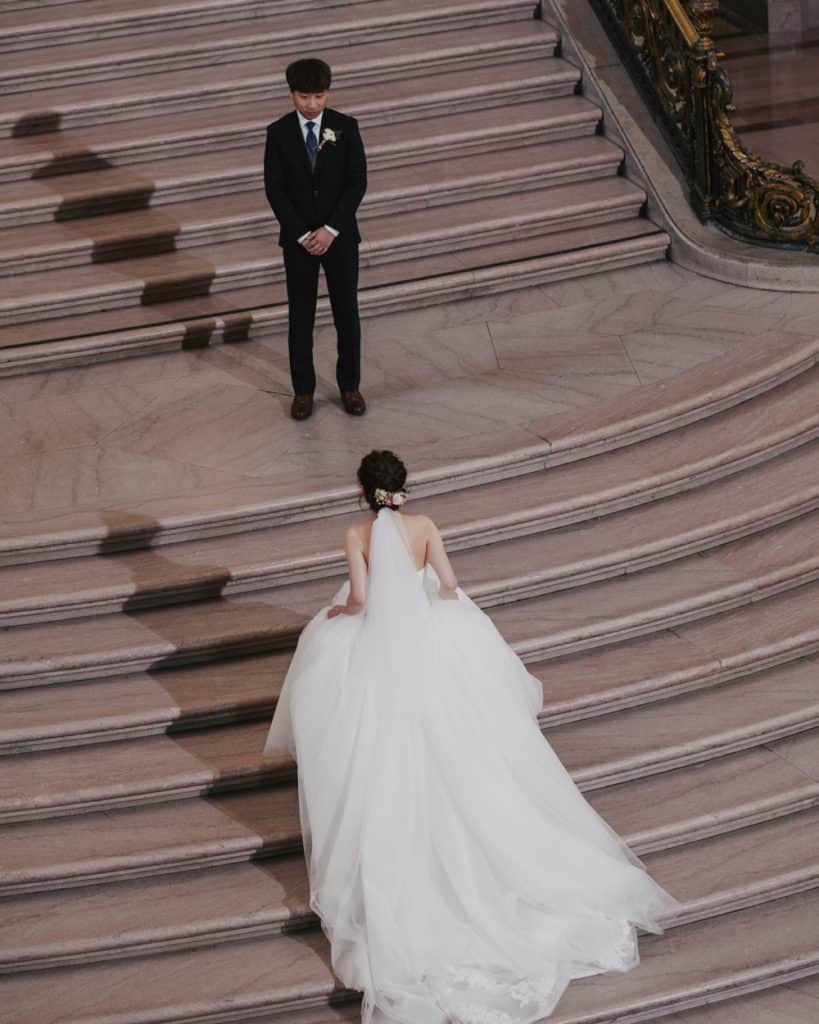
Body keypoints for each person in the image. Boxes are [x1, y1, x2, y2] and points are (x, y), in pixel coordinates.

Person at [263, 450, 682, 1024]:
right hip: (431, 645)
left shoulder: (356, 532)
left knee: (366, 739)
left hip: (375, 653)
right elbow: (451, 585)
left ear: (363, 492)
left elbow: (359, 600)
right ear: (403, 489)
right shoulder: (425, 527)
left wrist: (339, 618)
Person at [263, 58, 367, 421]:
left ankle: (350, 386)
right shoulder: (277, 133)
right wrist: (304, 233)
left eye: (318, 96)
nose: (311, 104)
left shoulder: (345, 127)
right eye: (304, 97)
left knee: (346, 314)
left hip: (339, 238)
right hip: (299, 241)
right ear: (291, 94)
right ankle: (303, 391)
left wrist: (331, 230)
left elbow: (357, 183)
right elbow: (275, 190)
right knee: (300, 317)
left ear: (329, 93)